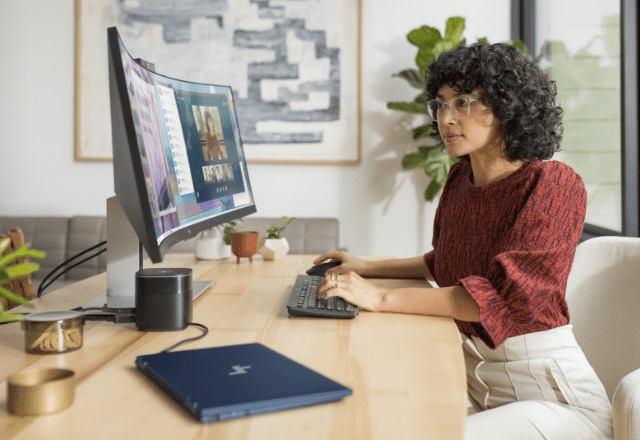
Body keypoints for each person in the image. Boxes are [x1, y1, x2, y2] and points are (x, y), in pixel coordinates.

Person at [315, 43, 612, 439]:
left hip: (553, 398)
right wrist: (369, 266)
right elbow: (449, 262)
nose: (446, 118)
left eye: (464, 102)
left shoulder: (553, 185)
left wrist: (379, 297)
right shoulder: (460, 180)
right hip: (480, 386)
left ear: (507, 107)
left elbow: (503, 298)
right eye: (440, 104)